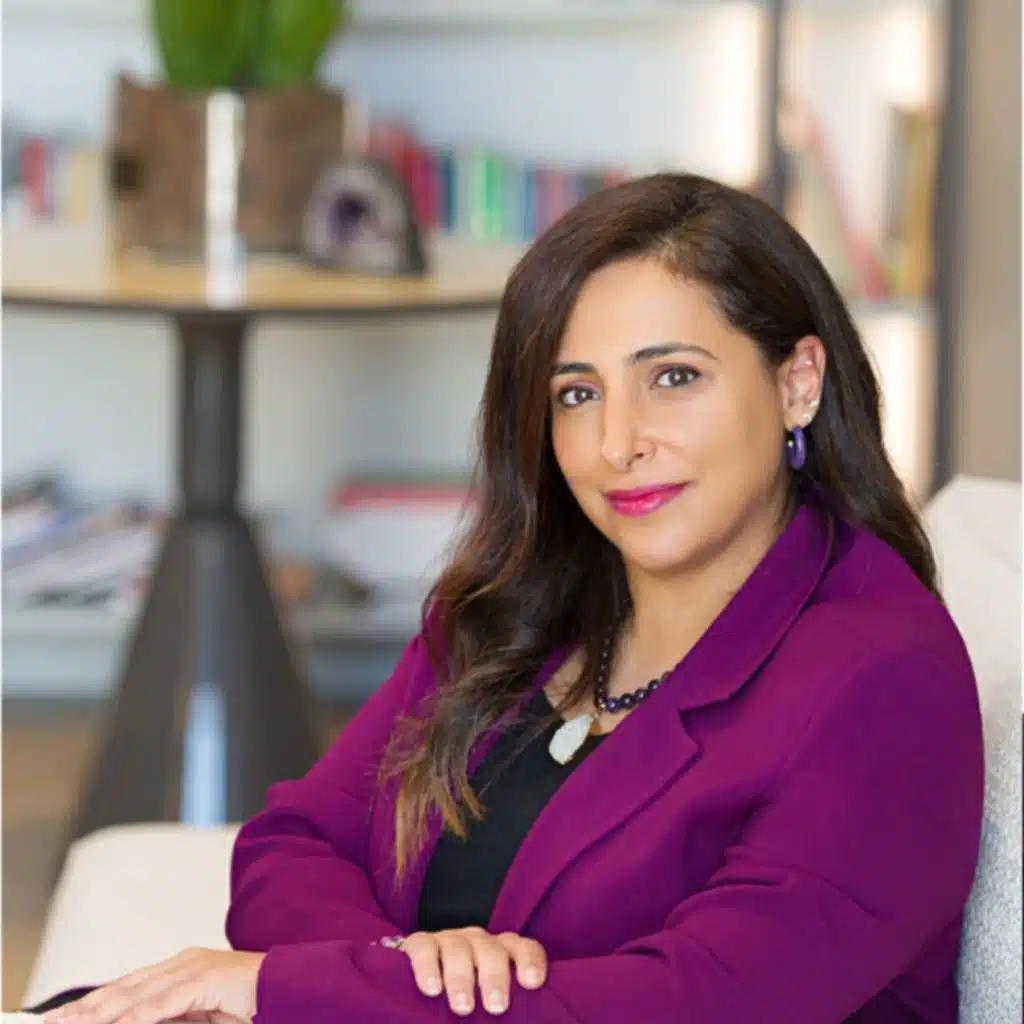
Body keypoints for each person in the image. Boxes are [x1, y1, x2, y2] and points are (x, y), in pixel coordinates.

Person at [43, 173, 984, 1024]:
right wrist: (400, 970)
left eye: (673, 378)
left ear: (798, 382)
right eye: (577, 394)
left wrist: (298, 988)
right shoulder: (521, 604)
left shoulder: (883, 680)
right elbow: (294, 843)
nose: (618, 443)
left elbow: (698, 1002)